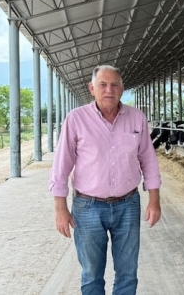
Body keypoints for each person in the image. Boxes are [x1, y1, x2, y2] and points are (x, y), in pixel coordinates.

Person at [49, 64, 162, 295]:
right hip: (88, 205)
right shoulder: (76, 119)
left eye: (114, 85)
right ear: (92, 88)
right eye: (102, 84)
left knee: (128, 272)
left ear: (122, 89)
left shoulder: (137, 118)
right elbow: (62, 165)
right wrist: (60, 208)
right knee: (91, 274)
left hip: (128, 204)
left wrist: (154, 200)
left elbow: (148, 160)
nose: (108, 90)